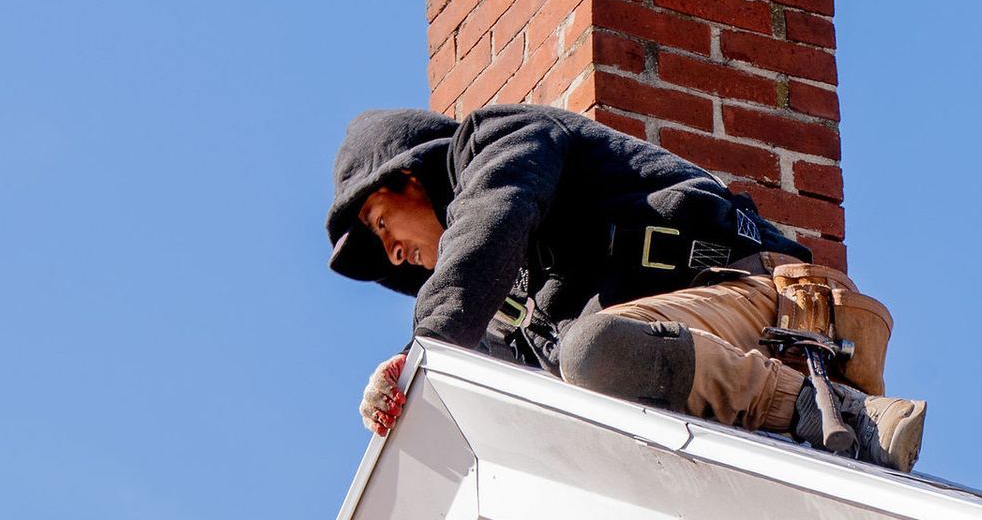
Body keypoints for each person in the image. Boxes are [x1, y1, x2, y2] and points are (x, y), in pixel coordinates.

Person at [326, 105, 925, 470]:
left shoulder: (500, 139)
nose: (395, 254)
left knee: (591, 350)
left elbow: (491, 220)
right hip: (688, 349)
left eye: (382, 225)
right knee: (572, 367)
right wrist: (404, 398)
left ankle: (830, 410)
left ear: (413, 176)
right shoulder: (512, 307)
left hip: (768, 303)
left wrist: (424, 351)